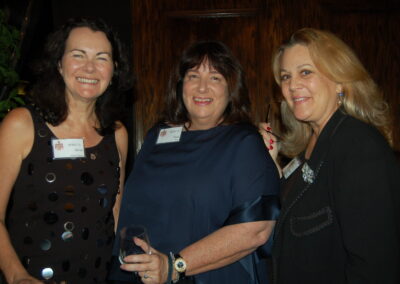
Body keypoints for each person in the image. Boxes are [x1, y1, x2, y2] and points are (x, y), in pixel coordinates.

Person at [110, 40, 280, 284]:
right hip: (139, 274)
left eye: (215, 78)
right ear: (181, 85)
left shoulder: (245, 142)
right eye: (193, 76)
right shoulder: (156, 136)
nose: (202, 88)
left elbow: (256, 229)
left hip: (205, 276)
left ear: (231, 88)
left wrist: (174, 265)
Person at [260, 28, 400, 284]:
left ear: (339, 80)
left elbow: (376, 267)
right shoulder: (310, 146)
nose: (292, 86)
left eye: (305, 72)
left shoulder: (358, 147)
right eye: (285, 76)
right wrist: (273, 165)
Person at [0, 17, 131, 283]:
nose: (90, 68)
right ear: (59, 64)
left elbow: (115, 216)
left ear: (114, 70)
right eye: (78, 55)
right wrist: (16, 276)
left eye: (102, 58)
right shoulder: (21, 124)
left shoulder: (117, 133)